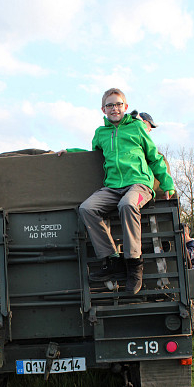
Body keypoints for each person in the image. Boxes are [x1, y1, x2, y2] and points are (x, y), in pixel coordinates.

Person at [58, 88, 175, 294]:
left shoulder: (137, 127)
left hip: (139, 184)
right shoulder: (100, 133)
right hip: (113, 187)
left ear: (126, 107)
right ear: (103, 109)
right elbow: (92, 158)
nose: (115, 108)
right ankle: (112, 260)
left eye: (118, 104)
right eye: (110, 105)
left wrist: (167, 184)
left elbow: (154, 157)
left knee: (128, 204)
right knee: (87, 208)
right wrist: (70, 152)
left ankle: (133, 266)